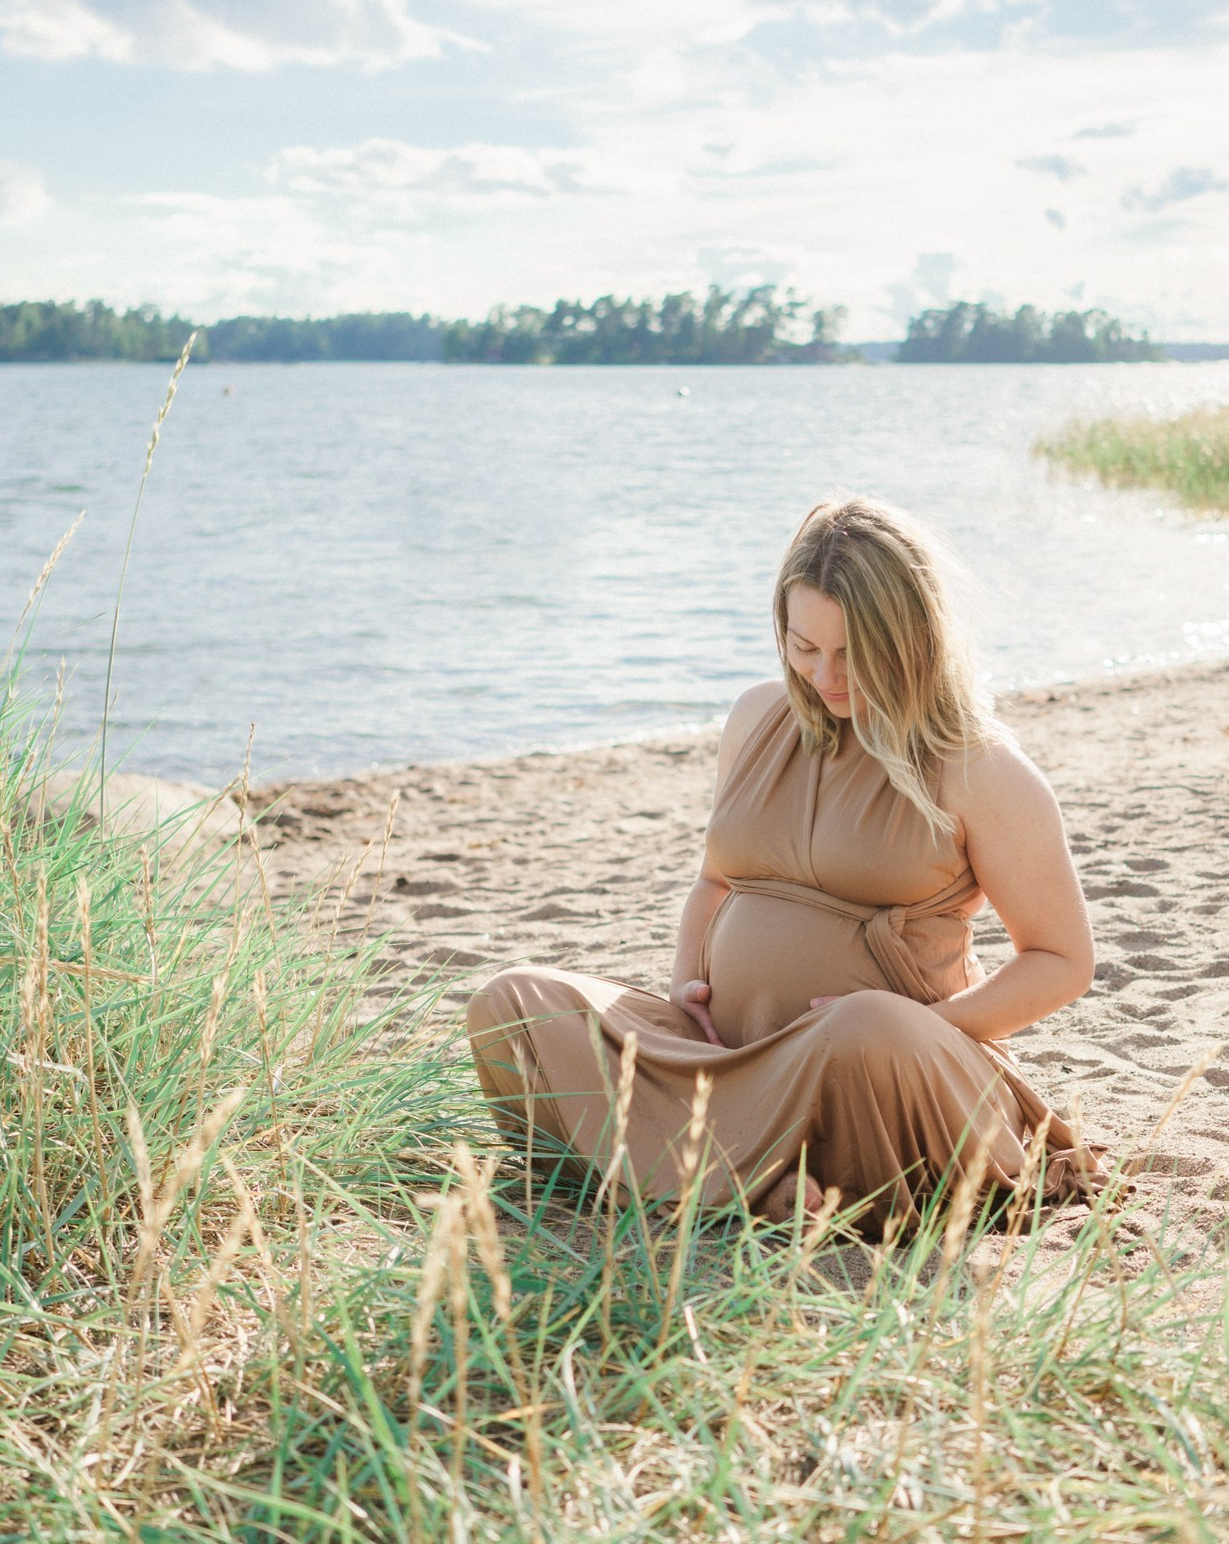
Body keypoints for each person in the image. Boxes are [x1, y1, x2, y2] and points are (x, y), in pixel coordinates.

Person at [465, 497, 1099, 1222]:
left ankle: (722, 1180)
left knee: (865, 1029)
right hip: (730, 1057)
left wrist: (934, 1022)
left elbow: (1060, 958)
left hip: (882, 1068)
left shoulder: (979, 768)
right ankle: (768, 1186)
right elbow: (715, 880)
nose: (827, 676)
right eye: (805, 648)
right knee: (510, 1003)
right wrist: (686, 985)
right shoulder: (758, 717)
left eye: (853, 653)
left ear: (914, 636)